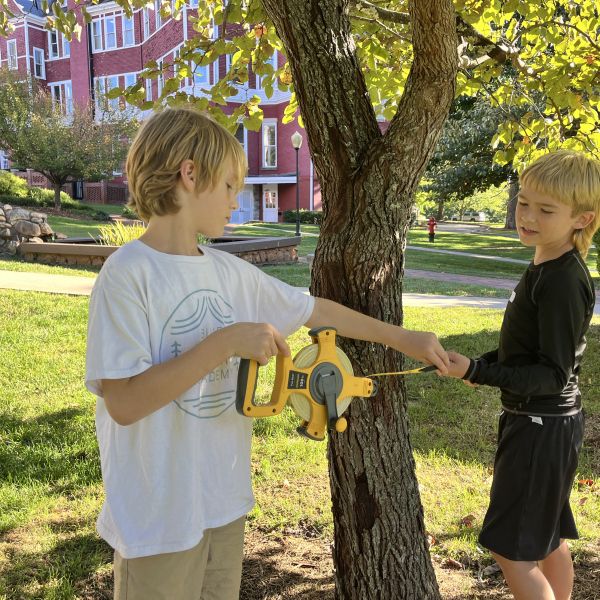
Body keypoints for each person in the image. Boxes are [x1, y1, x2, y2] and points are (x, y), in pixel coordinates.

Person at [85, 107, 449, 600]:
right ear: (190, 175)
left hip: (222, 503)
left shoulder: (227, 271)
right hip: (158, 519)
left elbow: (316, 309)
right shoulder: (128, 274)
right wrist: (225, 342)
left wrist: (403, 339)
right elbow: (124, 403)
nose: (236, 201)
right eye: (231, 185)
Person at [445, 150, 600, 600]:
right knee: (547, 535)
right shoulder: (545, 266)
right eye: (523, 202)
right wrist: (481, 365)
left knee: (511, 549)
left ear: (581, 218)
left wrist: (483, 371)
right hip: (543, 425)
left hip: (541, 426)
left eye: (545, 209)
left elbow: (552, 374)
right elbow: (527, 350)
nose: (527, 216)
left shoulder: (562, 281)